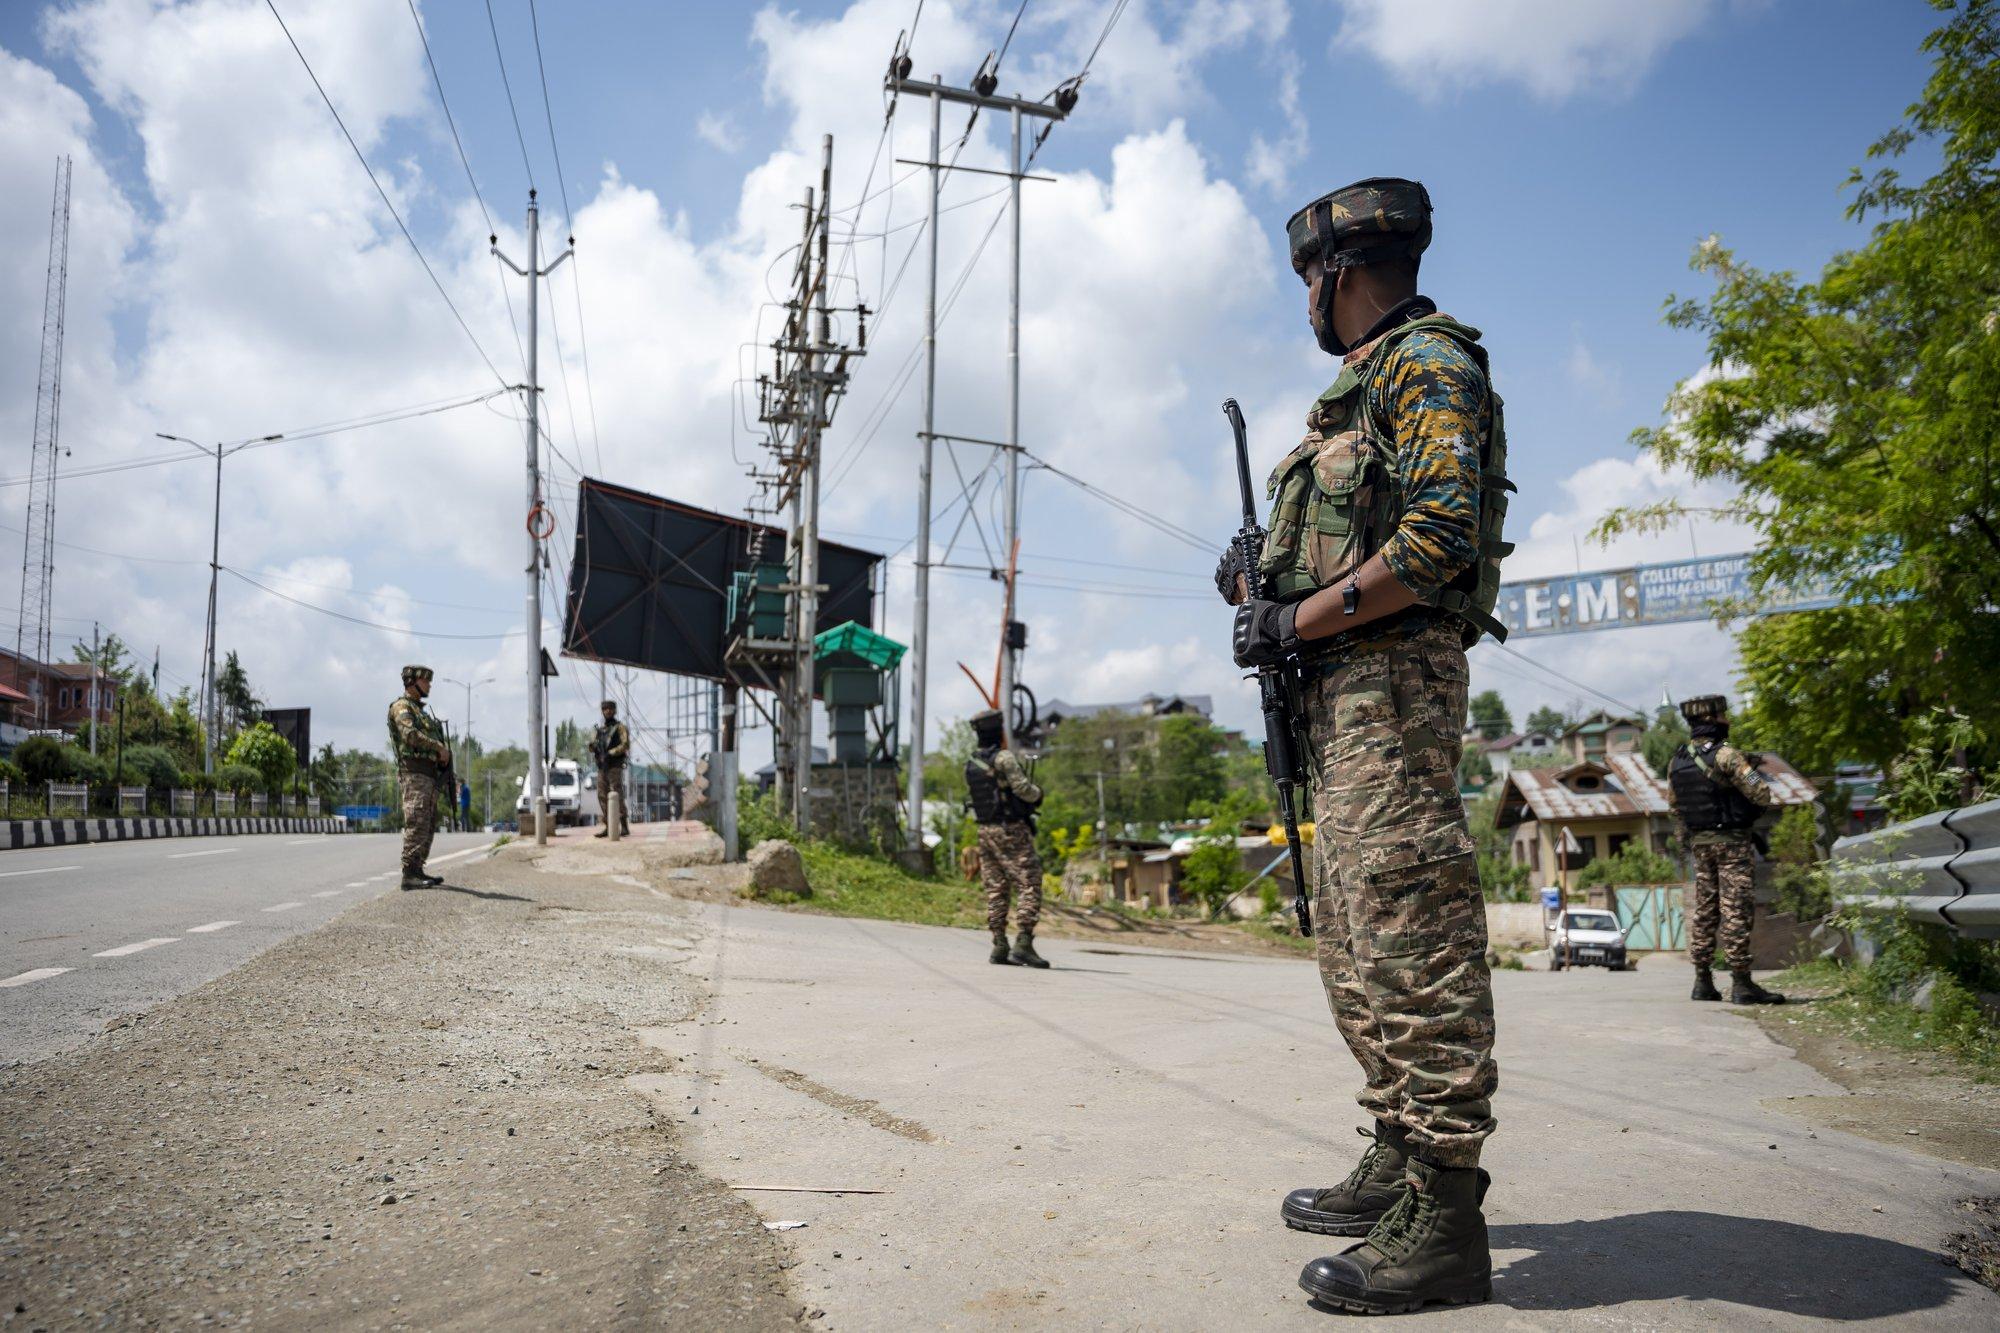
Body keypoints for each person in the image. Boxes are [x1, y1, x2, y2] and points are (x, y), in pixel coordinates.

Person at [1219, 177, 1512, 1314]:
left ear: (1334, 274)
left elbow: (1437, 540)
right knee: (1354, 939)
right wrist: (1259, 583)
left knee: (1408, 927)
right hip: (1340, 696)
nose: (1304, 299)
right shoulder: (1352, 393)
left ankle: (1445, 1211)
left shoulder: (1424, 364)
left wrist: (1293, 618)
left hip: (1391, 689)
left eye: (1306, 278)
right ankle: (1398, 1149)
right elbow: (1345, 548)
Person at [1668, 695, 1786, 1005]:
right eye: (1723, 715)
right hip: (1732, 843)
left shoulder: (1677, 761)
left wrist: (1688, 841)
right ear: (1712, 719)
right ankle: (1742, 984)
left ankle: (1702, 981)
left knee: (1705, 910)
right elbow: (1761, 794)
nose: (1728, 720)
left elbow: (1675, 808)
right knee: (1736, 909)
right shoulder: (1728, 756)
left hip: (1699, 845)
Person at [963, 708, 1048, 968]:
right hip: (1010, 829)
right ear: (998, 730)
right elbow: (1021, 788)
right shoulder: (1004, 758)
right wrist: (1038, 794)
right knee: (1029, 881)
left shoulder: (971, 763)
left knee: (996, 887)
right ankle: (1024, 943)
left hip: (985, 831)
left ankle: (999, 944)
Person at [388, 665, 451, 889]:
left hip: (429, 775)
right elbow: (409, 735)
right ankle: (409, 874)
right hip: (414, 774)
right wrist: (438, 748)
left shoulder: (421, 711)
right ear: (412, 682)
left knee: (427, 823)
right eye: (426, 681)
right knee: (416, 821)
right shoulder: (402, 707)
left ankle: (417, 869)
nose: (429, 685)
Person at [592, 699, 631, 838]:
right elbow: (593, 744)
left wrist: (611, 752)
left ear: (614, 710)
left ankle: (624, 825)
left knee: (616, 794)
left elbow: (625, 744)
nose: (607, 711)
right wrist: (593, 746)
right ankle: (609, 826)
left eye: (610, 709)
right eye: (605, 709)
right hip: (602, 766)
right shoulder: (600, 730)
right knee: (602, 795)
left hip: (614, 765)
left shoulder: (620, 728)